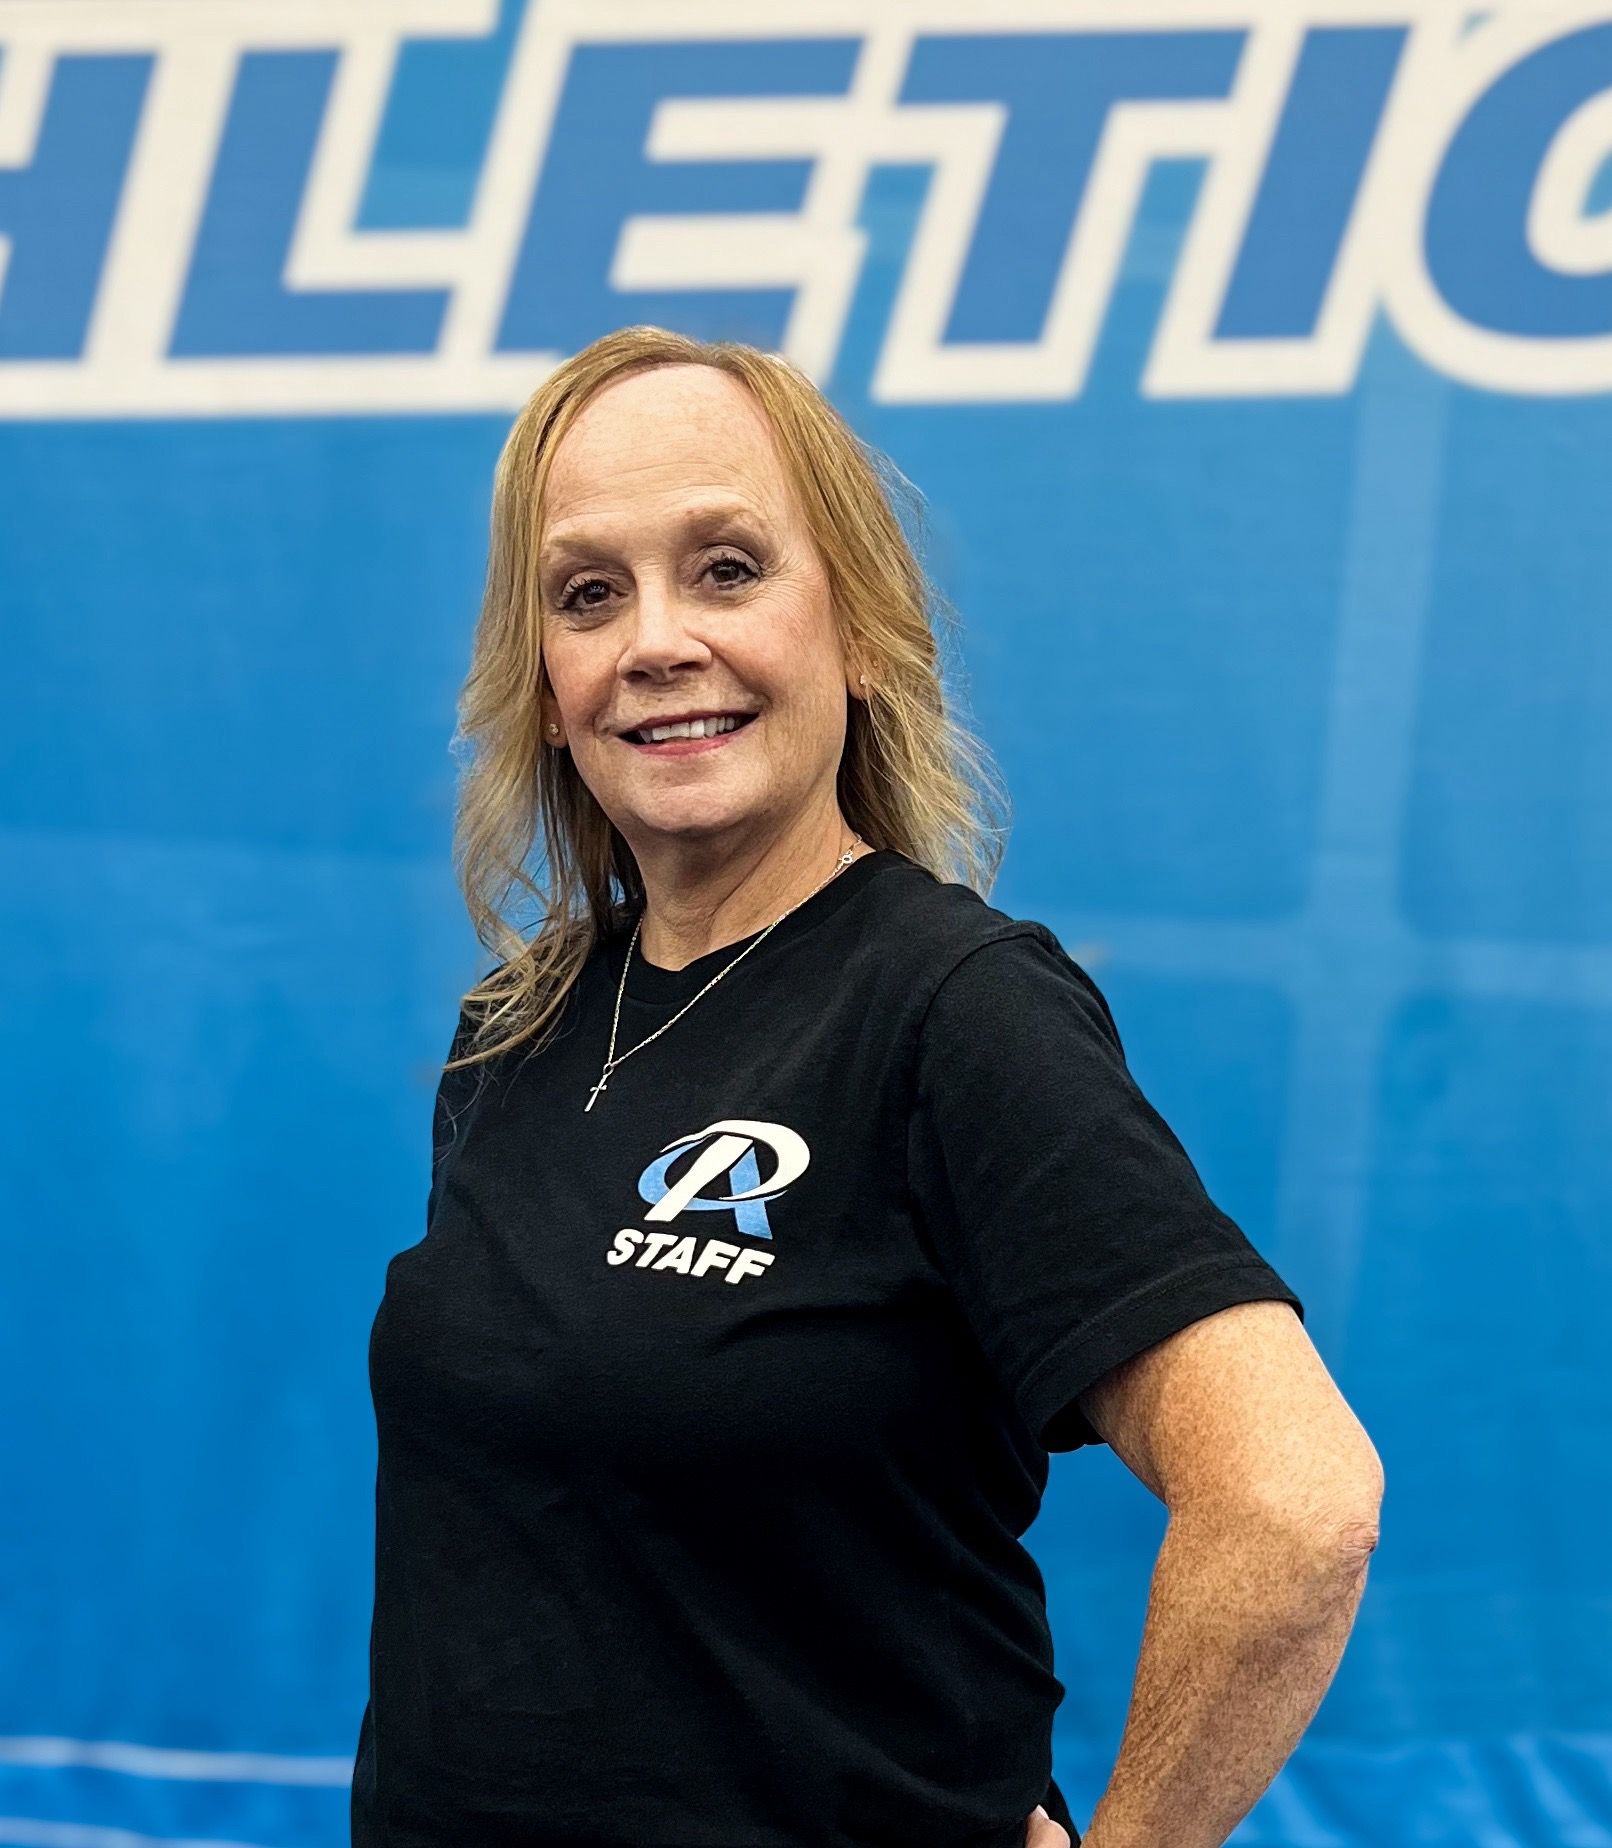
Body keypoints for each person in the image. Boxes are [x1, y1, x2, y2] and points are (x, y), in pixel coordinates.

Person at [350, 325, 1384, 1848]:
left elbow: (1297, 1505)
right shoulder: (520, 1028)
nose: (652, 640)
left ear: (863, 631)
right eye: (588, 593)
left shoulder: (954, 1012)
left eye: (725, 569)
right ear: (547, 682)